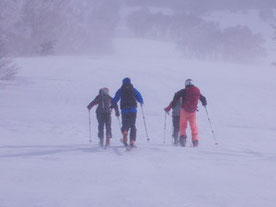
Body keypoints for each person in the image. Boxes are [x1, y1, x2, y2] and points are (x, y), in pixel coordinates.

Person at [167, 79, 207, 147]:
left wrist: (173, 104)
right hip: (193, 112)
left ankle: (183, 138)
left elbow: (176, 95)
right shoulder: (196, 91)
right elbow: (203, 98)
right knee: (193, 126)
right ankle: (195, 140)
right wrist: (204, 104)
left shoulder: (184, 91)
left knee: (182, 125)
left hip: (184, 111)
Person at [111, 78, 143, 147]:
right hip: (133, 110)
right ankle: (132, 141)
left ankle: (125, 132)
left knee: (125, 124)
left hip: (124, 110)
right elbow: (139, 96)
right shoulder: (133, 89)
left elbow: (115, 98)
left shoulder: (121, 89)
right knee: (133, 125)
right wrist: (141, 101)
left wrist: (113, 104)